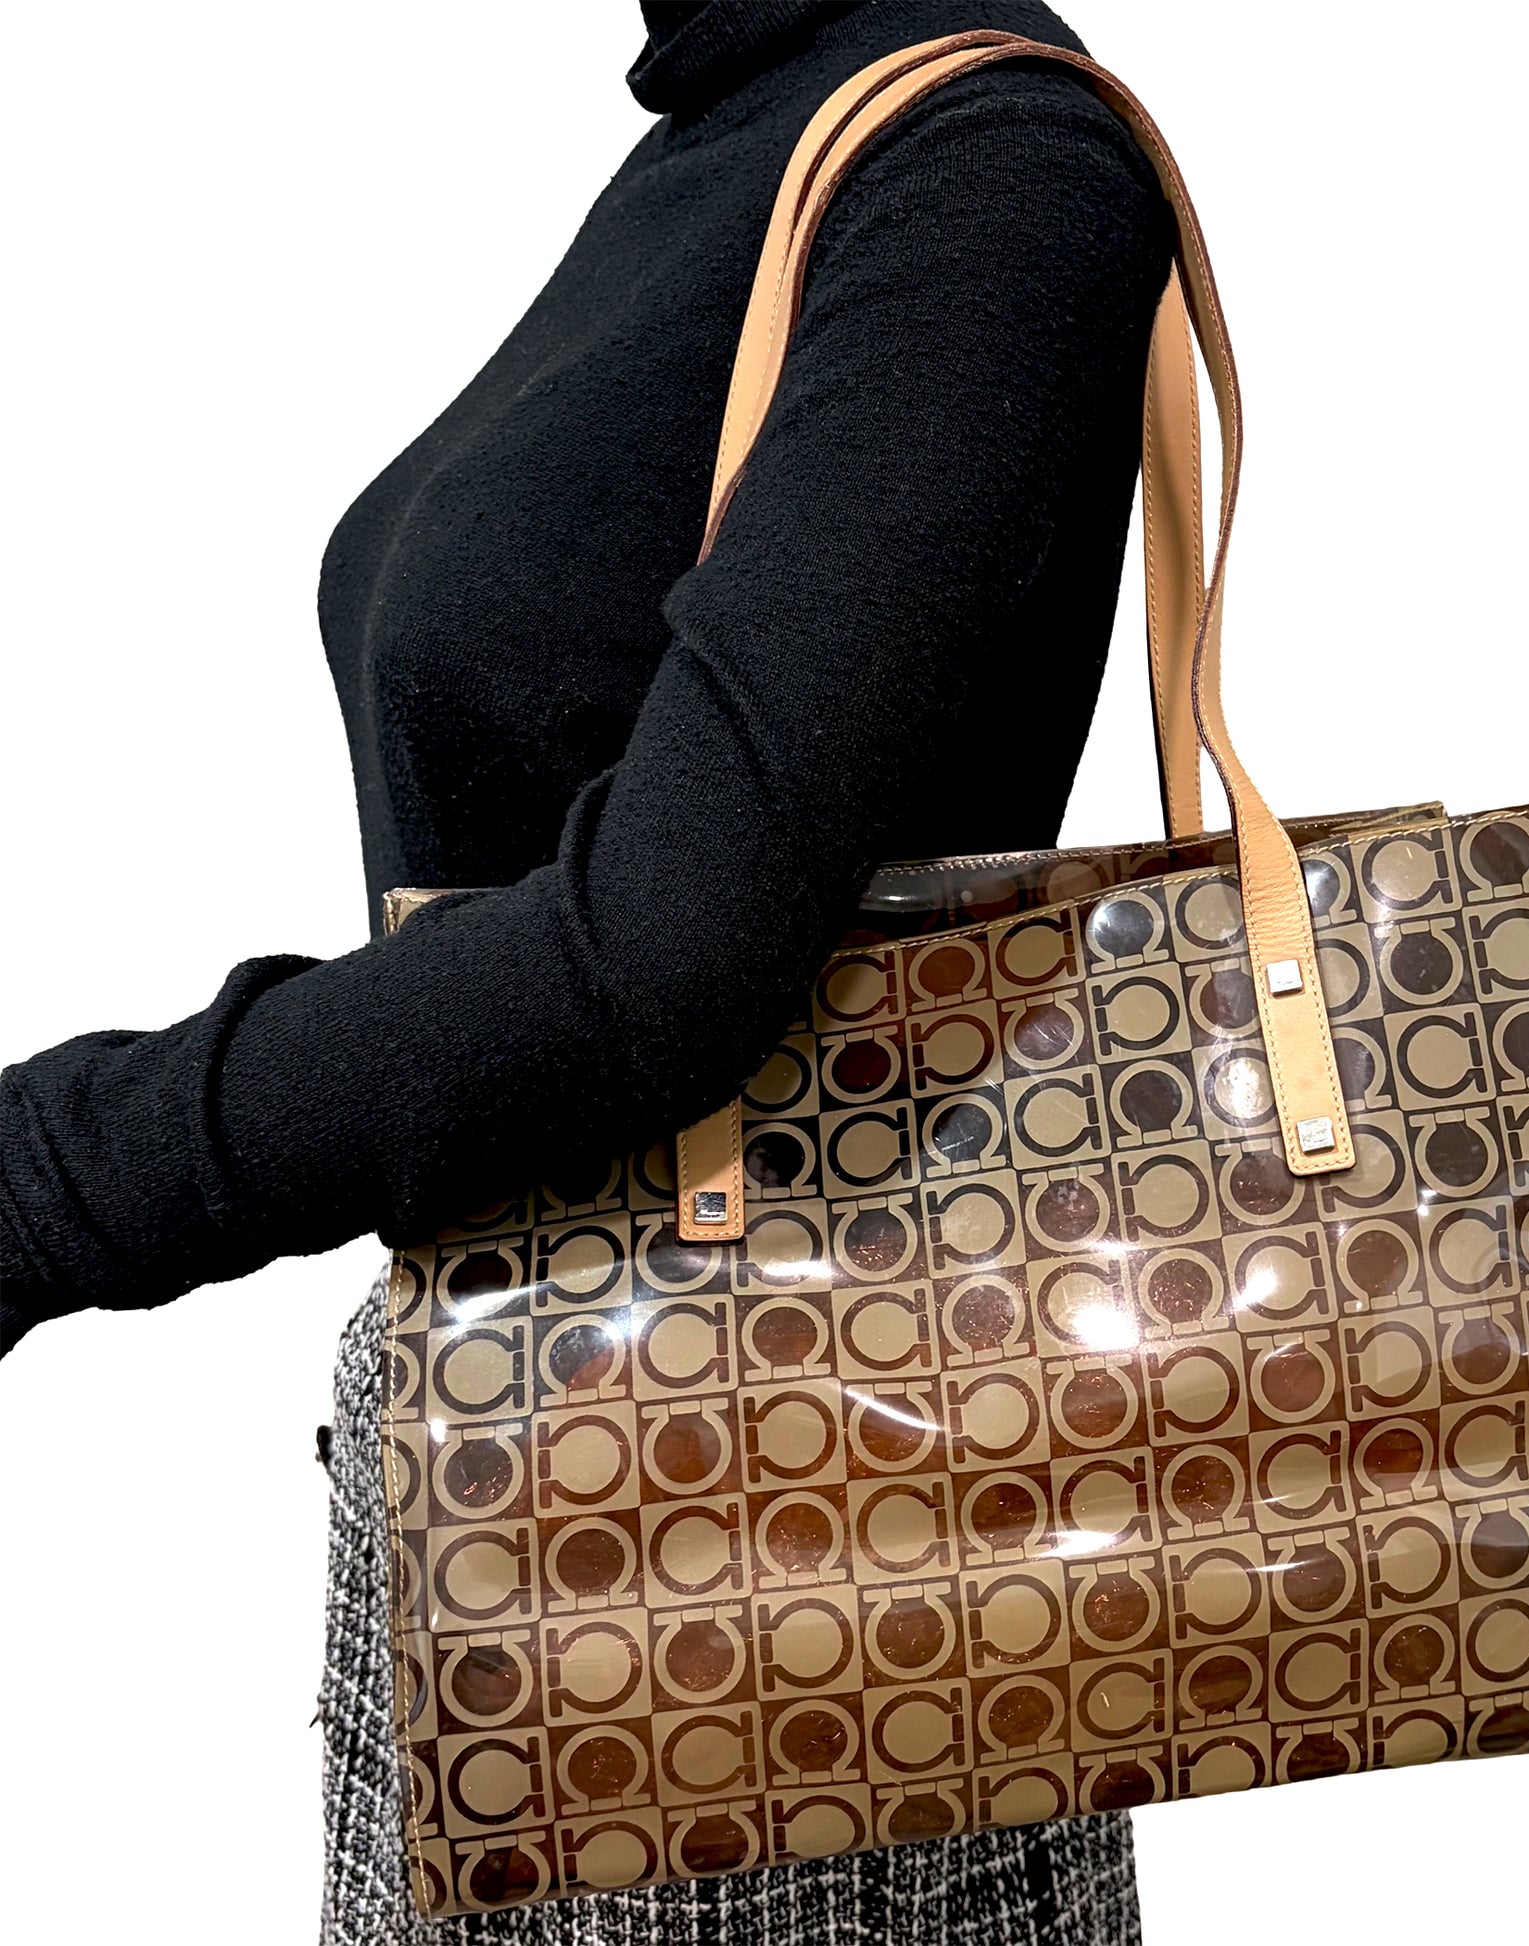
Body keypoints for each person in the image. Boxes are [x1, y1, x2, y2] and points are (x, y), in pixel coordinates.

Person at [0, 2, 1172, 1939]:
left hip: (786, 1555)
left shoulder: (979, 160)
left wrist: (47, 1174)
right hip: (546, 1488)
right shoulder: (739, 121)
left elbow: (661, 953)